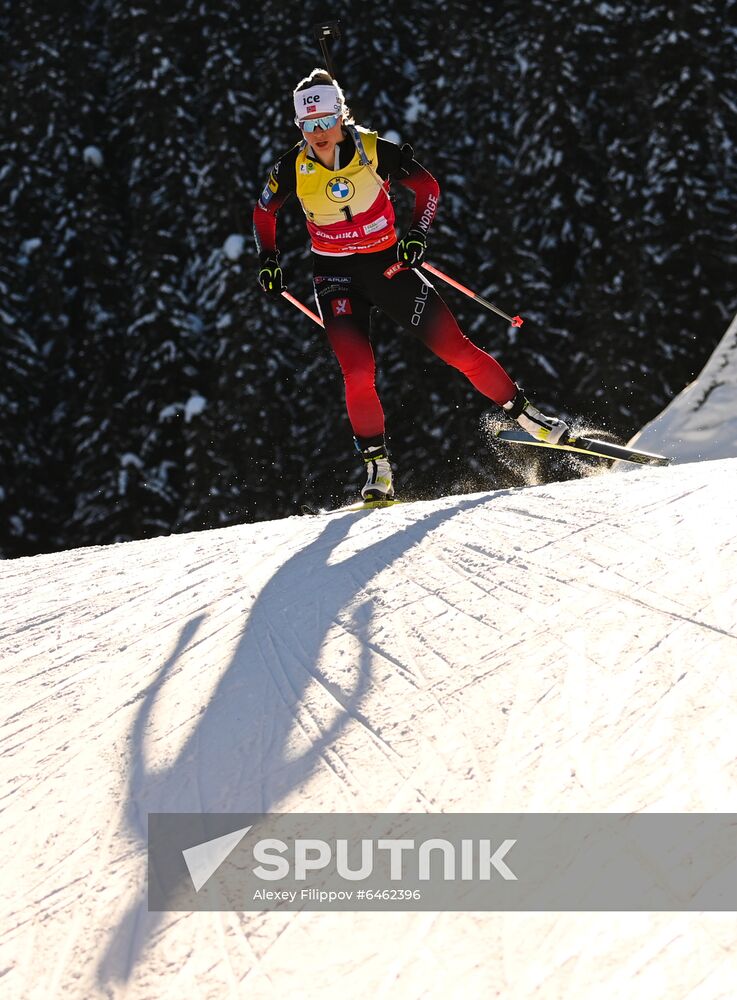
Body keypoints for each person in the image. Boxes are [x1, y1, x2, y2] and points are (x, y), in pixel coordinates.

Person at [253, 69, 569, 501]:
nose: (318, 133)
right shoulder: (292, 166)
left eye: (325, 121)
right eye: (308, 126)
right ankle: (377, 470)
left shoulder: (371, 150)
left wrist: (418, 233)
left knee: (456, 349)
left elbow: (428, 186)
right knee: (358, 372)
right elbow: (263, 213)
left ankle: (531, 418)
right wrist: (269, 260)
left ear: (340, 117)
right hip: (334, 275)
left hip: (388, 266)